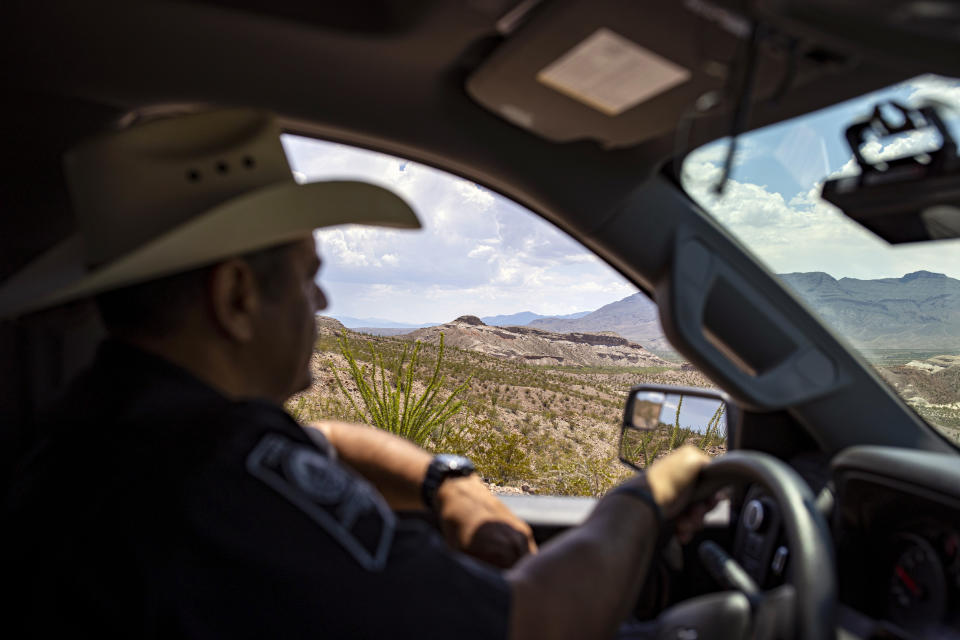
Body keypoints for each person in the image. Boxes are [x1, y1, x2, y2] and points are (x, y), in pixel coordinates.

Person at [3, 109, 713, 639]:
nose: (323, 302)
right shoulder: (215, 479)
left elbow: (328, 441)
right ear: (237, 299)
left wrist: (448, 485)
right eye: (310, 279)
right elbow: (538, 622)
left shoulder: (104, 432)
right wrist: (646, 496)